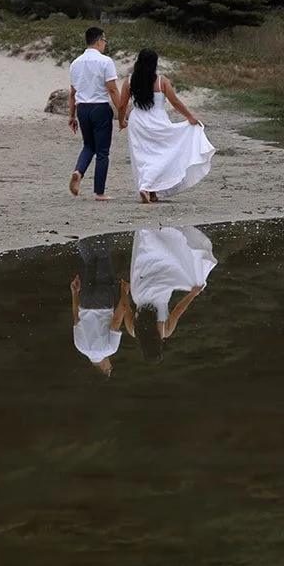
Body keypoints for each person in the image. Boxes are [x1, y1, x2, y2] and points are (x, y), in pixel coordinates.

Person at [117, 48, 215, 204]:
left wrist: (121, 121)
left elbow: (122, 105)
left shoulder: (130, 81)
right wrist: (189, 117)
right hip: (158, 121)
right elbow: (174, 101)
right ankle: (148, 188)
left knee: (143, 156)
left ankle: (149, 190)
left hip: (138, 122)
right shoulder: (162, 81)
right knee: (161, 155)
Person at [126, 226, 217, 362]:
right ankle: (146, 233)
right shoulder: (133, 330)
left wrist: (192, 294)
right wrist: (124, 292)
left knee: (167, 264)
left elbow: (178, 310)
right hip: (139, 292)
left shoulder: (165, 331)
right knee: (145, 262)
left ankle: (161, 235)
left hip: (160, 292)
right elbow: (125, 308)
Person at [68, 26, 123, 201]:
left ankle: (78, 171)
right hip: (99, 108)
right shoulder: (105, 61)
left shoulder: (75, 63)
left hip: (82, 108)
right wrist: (122, 112)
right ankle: (99, 192)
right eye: (104, 41)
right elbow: (112, 89)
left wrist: (72, 116)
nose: (105, 44)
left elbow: (72, 92)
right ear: (99, 41)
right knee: (102, 151)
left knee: (88, 145)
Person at [71, 233, 130, 375]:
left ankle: (100, 232)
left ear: (105, 369)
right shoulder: (80, 346)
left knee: (103, 259)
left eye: (110, 368)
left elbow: (116, 322)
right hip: (85, 301)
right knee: (90, 263)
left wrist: (124, 294)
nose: (111, 365)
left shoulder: (110, 349)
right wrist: (75, 293)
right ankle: (79, 234)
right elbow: (76, 318)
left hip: (103, 302)